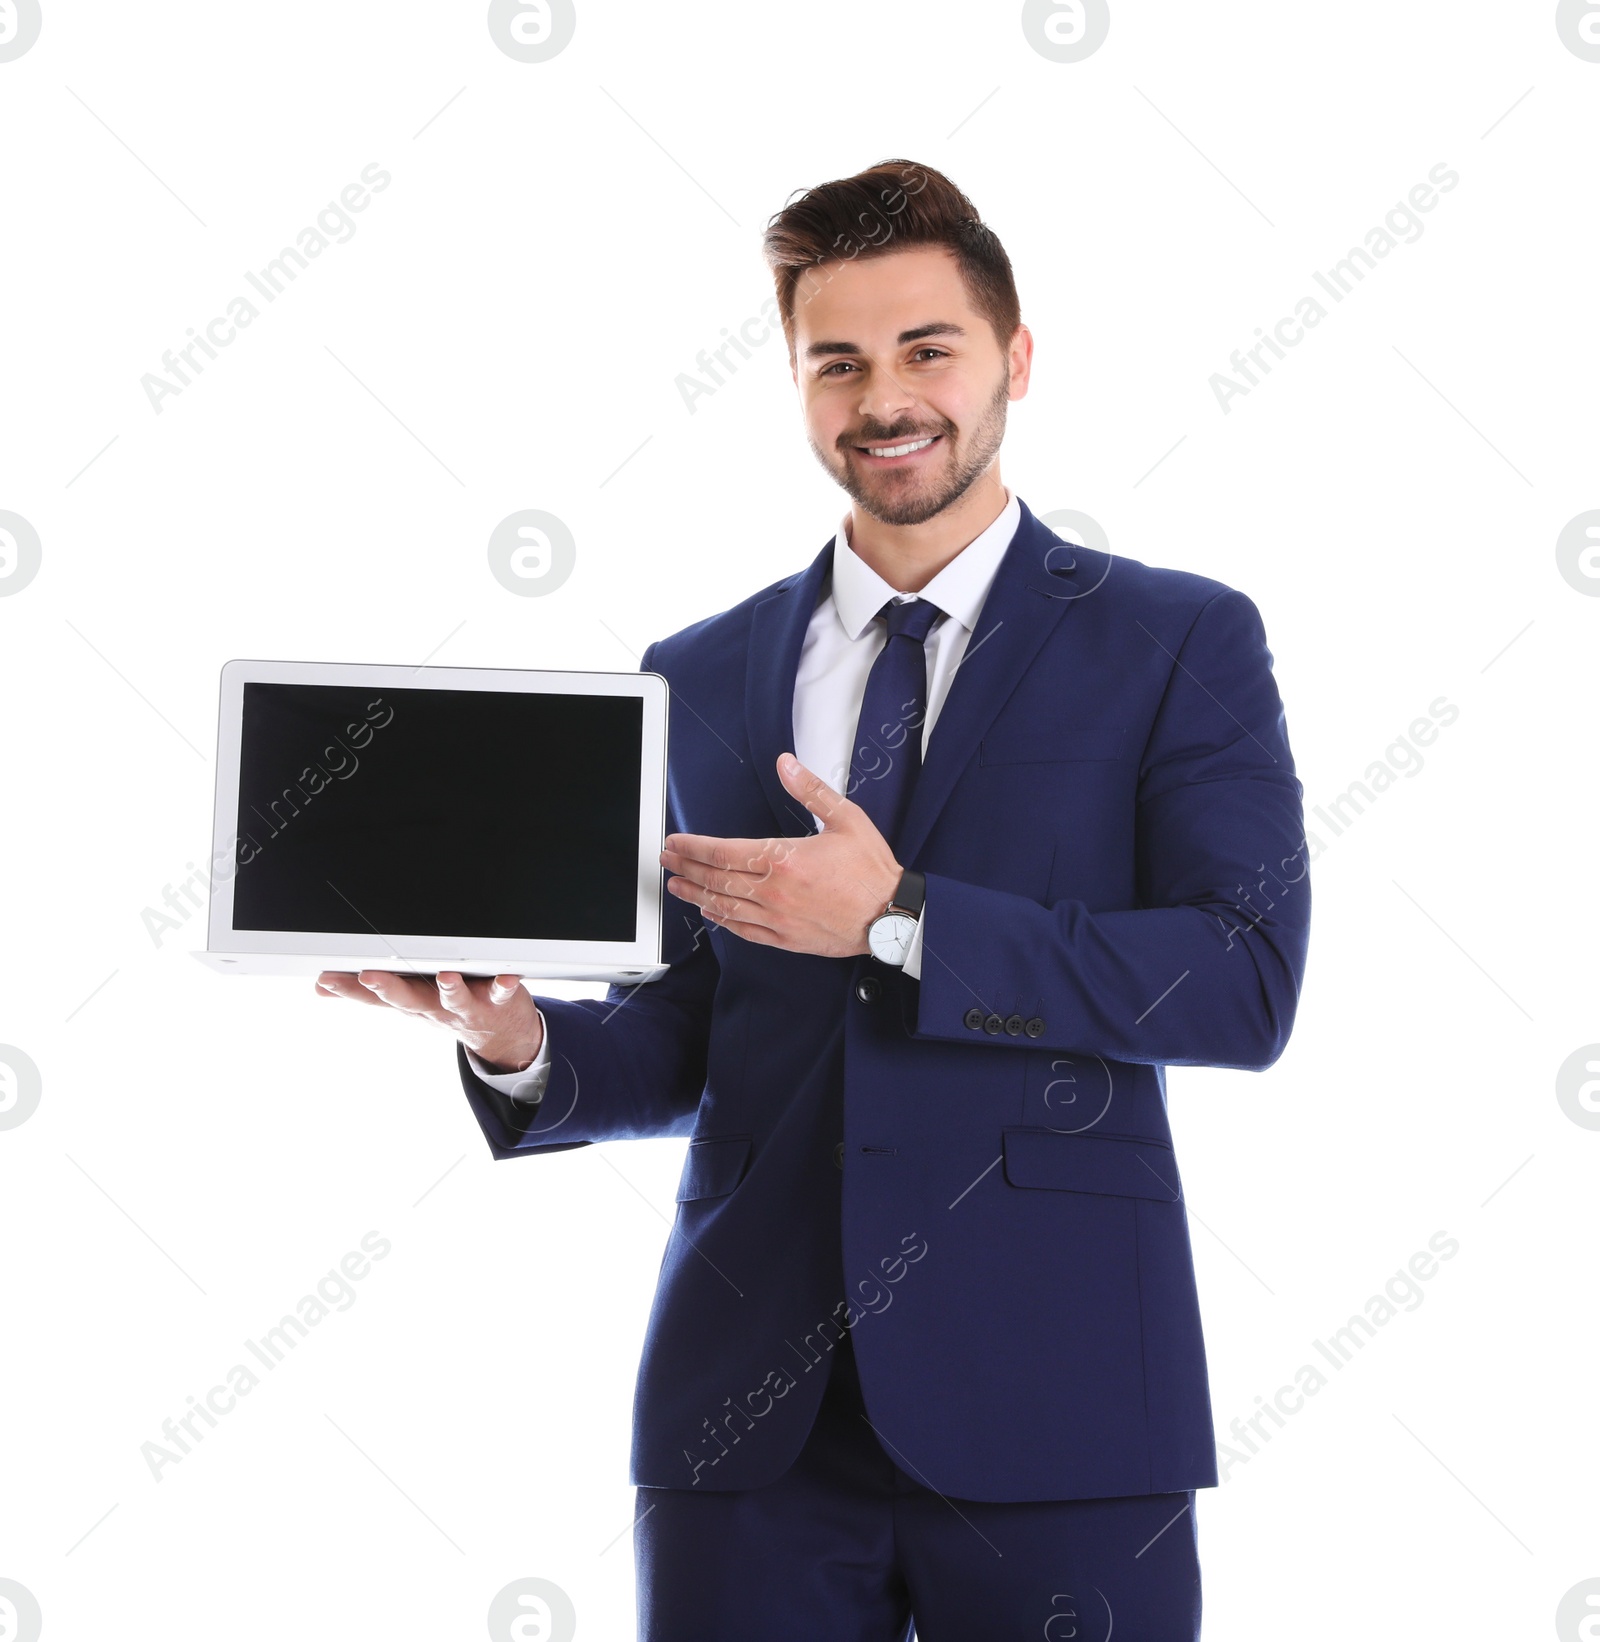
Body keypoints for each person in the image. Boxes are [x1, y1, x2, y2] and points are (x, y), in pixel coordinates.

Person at [317, 158, 1311, 1641]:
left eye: (929, 349)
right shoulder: (700, 671)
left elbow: (1242, 981)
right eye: (836, 360)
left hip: (1059, 1402)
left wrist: (901, 917)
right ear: (791, 382)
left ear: (1015, 360)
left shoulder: (1177, 639)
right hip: (748, 1422)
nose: (885, 396)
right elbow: (701, 1029)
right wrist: (523, 1041)